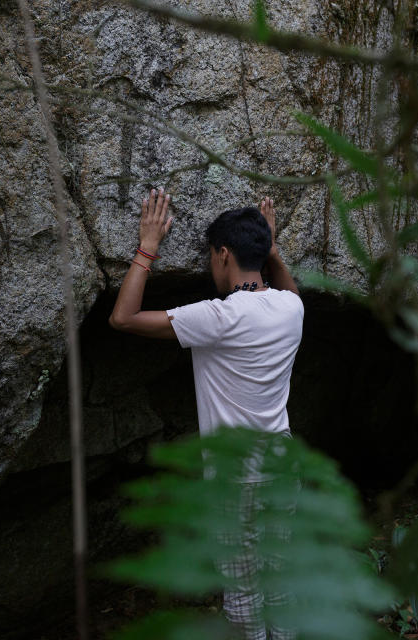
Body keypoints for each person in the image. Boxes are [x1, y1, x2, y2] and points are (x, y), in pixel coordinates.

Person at [109, 187, 304, 640]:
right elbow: (288, 289)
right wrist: (270, 250)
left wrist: (148, 247)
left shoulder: (219, 317)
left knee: (241, 591)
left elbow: (123, 318)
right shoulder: (290, 308)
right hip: (282, 466)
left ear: (222, 255)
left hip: (236, 476)